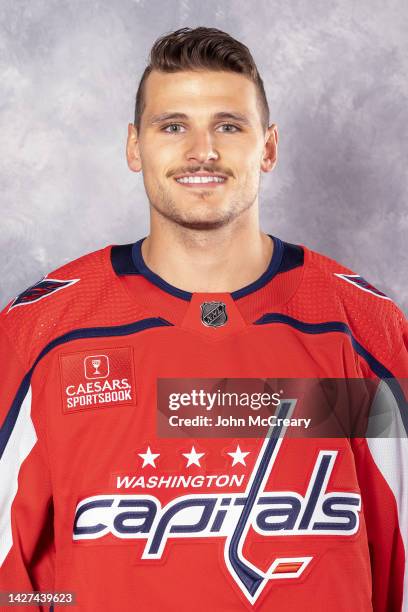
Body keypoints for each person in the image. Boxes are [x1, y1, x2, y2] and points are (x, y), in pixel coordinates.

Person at [0, 26, 406, 612]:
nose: (202, 151)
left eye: (228, 125)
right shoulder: (43, 331)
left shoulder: (359, 326)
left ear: (267, 147)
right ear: (135, 146)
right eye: (173, 126)